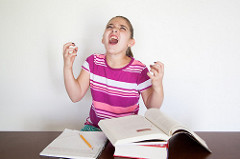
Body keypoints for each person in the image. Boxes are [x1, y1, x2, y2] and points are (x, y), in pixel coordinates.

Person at [63, 16, 164, 131]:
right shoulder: (93, 62)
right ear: (102, 39)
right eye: (110, 27)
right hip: (95, 128)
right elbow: (75, 96)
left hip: (127, 131)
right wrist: (67, 66)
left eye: (122, 28)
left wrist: (158, 86)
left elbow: (153, 107)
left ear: (130, 42)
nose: (114, 29)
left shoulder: (139, 70)